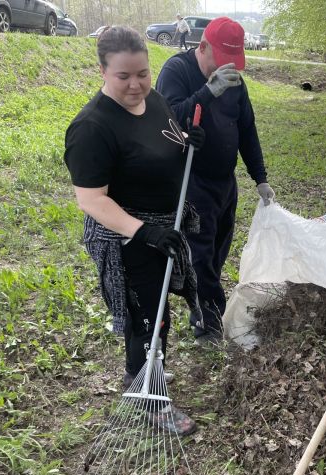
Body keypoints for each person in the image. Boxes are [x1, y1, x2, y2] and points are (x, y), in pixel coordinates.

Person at [64, 26, 206, 436]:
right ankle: (147, 397)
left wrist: (187, 140)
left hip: (164, 227)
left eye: (142, 73)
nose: (136, 84)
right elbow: (92, 200)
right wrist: (144, 232)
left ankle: (151, 372)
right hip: (127, 235)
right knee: (147, 316)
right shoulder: (92, 128)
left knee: (160, 312)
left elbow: (164, 139)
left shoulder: (154, 100)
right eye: (123, 76)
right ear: (103, 72)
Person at [155, 16, 274, 346]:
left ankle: (199, 302)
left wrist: (259, 177)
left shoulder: (237, 84)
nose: (227, 72)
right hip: (191, 178)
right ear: (203, 46)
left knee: (218, 248)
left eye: (233, 66)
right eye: (222, 64)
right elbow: (167, 118)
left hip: (224, 182)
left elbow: (246, 129)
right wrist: (207, 92)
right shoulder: (177, 70)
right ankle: (208, 323)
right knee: (200, 254)